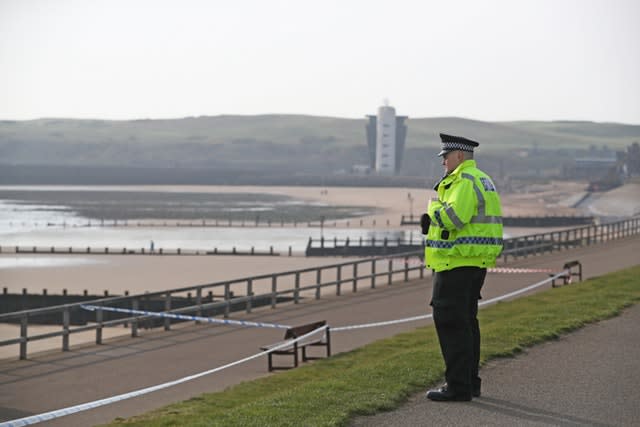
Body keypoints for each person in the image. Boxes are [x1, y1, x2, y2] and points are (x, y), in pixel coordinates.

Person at [421, 133, 503, 401]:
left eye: (445, 157)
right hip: (471, 261)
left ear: (458, 155)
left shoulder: (464, 181)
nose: (443, 162)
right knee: (467, 324)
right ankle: (469, 383)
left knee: (451, 324)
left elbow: (454, 218)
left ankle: (457, 387)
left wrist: (431, 211)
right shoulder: (482, 179)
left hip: (456, 261)